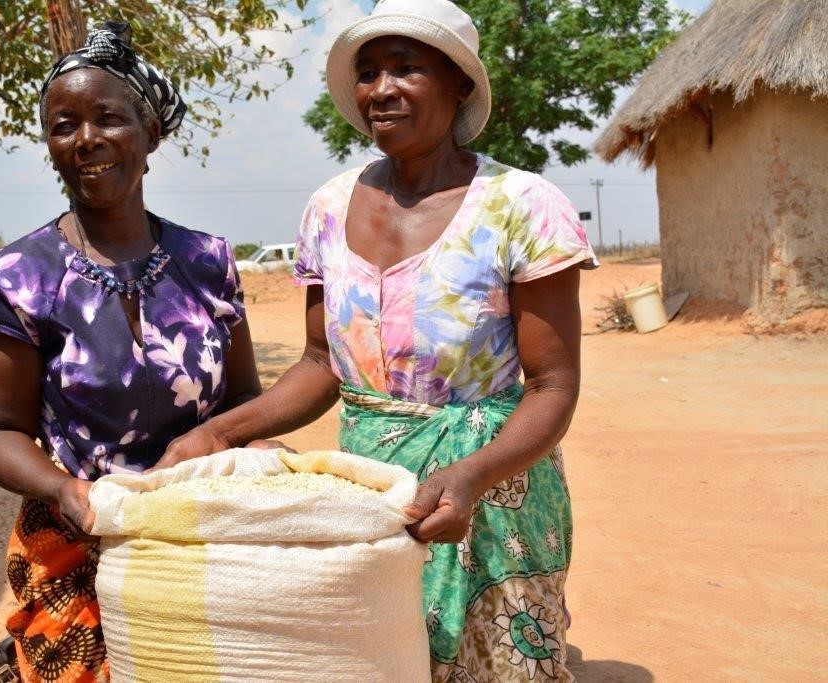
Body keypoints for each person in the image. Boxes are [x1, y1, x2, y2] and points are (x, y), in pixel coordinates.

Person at [158, 0, 597, 679]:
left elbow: (553, 385)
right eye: (368, 73)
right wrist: (220, 432)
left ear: (459, 85)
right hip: (378, 496)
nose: (381, 89)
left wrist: (472, 475)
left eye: (406, 68)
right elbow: (319, 364)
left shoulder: (524, 206)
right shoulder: (330, 207)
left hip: (494, 492)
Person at [0, 23, 263, 681]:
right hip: (79, 536)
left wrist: (240, 443)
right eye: (63, 125)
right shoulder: (16, 276)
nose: (87, 139)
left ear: (150, 134)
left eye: (108, 118)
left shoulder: (207, 261)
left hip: (201, 529)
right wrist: (62, 489)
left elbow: (243, 397)